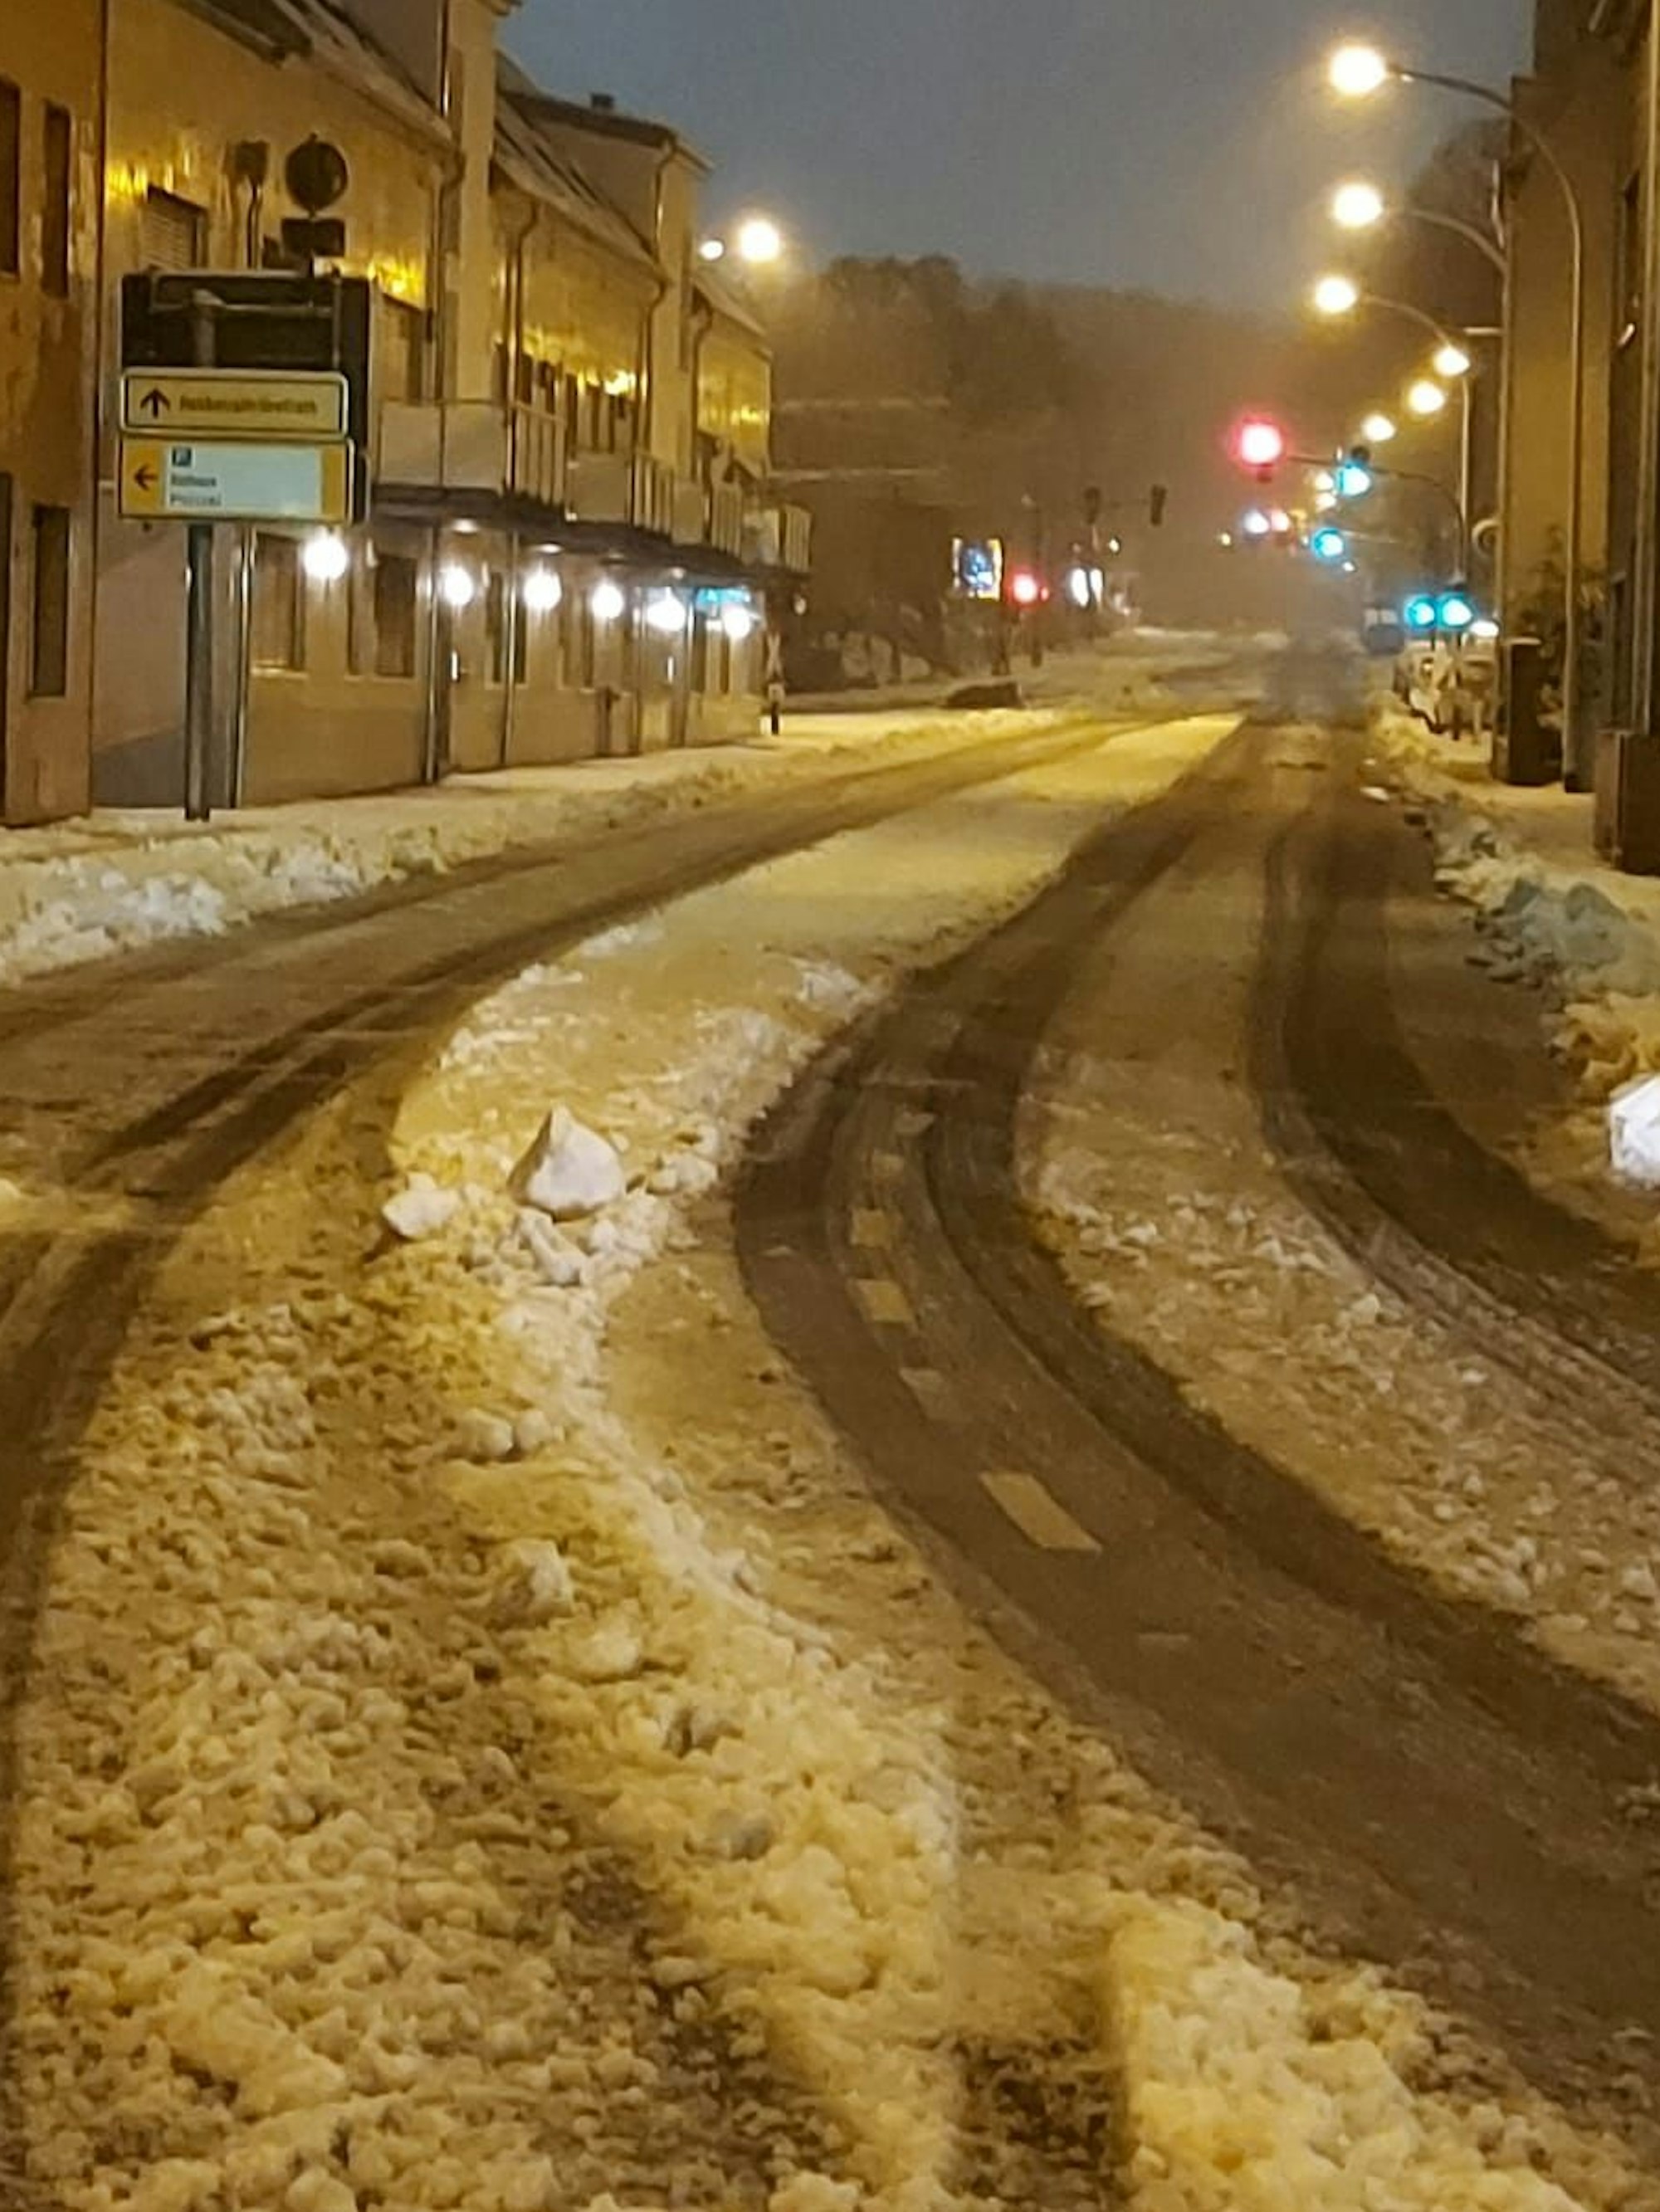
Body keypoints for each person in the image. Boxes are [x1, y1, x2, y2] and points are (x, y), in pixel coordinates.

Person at [764, 626, 786, 738]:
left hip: (774, 684)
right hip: (775, 684)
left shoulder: (773, 669)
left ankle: (775, 729)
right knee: (773, 655)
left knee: (773, 656)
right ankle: (775, 729)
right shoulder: (776, 670)